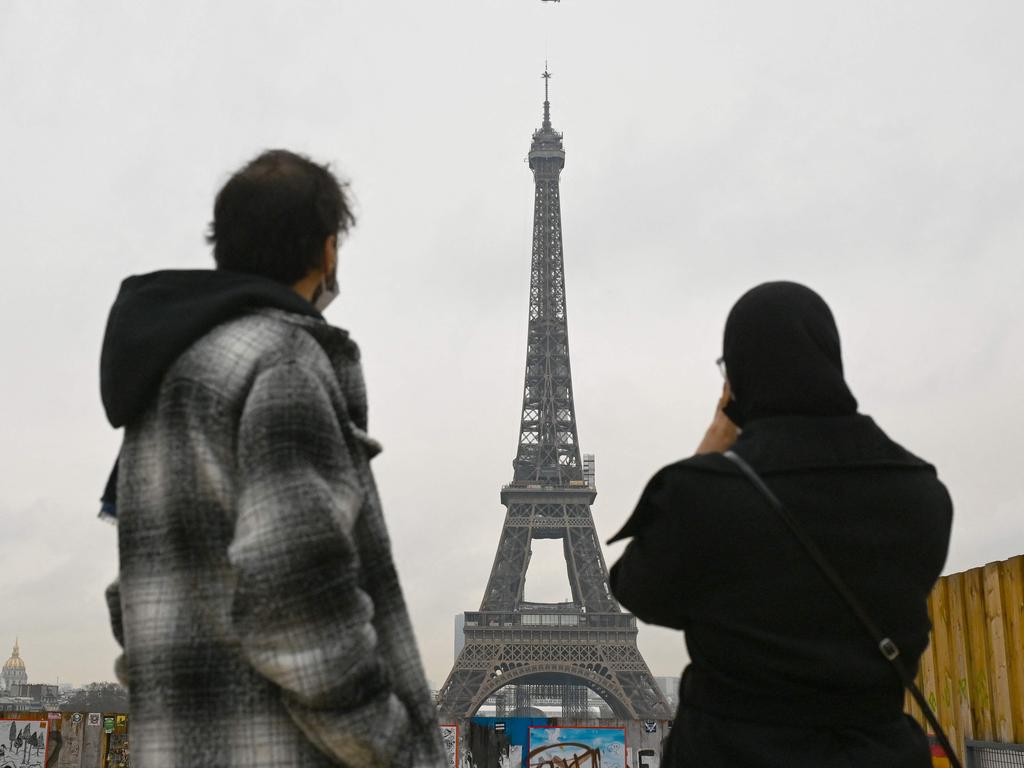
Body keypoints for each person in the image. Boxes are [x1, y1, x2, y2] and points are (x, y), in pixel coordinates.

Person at [99, 150, 445, 767]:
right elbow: (299, 605)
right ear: (328, 251)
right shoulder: (283, 363)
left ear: (223, 245)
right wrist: (394, 746)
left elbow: (138, 598)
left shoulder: (165, 374)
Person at [608, 282, 952, 768]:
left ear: (736, 380)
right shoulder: (923, 493)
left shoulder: (706, 493)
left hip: (734, 752)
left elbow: (637, 591)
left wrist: (711, 446)